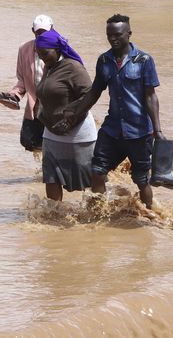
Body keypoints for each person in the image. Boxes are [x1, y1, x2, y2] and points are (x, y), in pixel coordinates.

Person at [62, 15, 164, 208]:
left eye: (117, 35)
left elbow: (151, 96)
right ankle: (98, 215)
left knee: (141, 179)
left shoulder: (144, 60)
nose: (113, 39)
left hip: (139, 132)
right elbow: (94, 93)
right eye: (109, 35)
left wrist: (157, 131)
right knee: (97, 172)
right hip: (112, 131)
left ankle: (151, 216)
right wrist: (75, 115)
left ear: (129, 34)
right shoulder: (104, 60)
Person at [34, 29, 96, 201]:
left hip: (78, 134)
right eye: (39, 55)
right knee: (51, 177)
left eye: (45, 53)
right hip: (51, 132)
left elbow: (89, 95)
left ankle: (98, 219)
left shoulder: (73, 67)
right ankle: (55, 216)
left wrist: (71, 118)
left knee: (89, 181)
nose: (42, 58)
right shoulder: (49, 67)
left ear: (58, 49)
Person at [1, 14, 54, 152]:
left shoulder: (60, 49)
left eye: (45, 33)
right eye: (38, 33)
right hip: (35, 106)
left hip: (54, 107)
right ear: (33, 31)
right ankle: (42, 173)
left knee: (54, 146)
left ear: (52, 30)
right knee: (29, 142)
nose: (41, 36)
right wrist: (13, 95)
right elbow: (22, 81)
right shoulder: (24, 49)